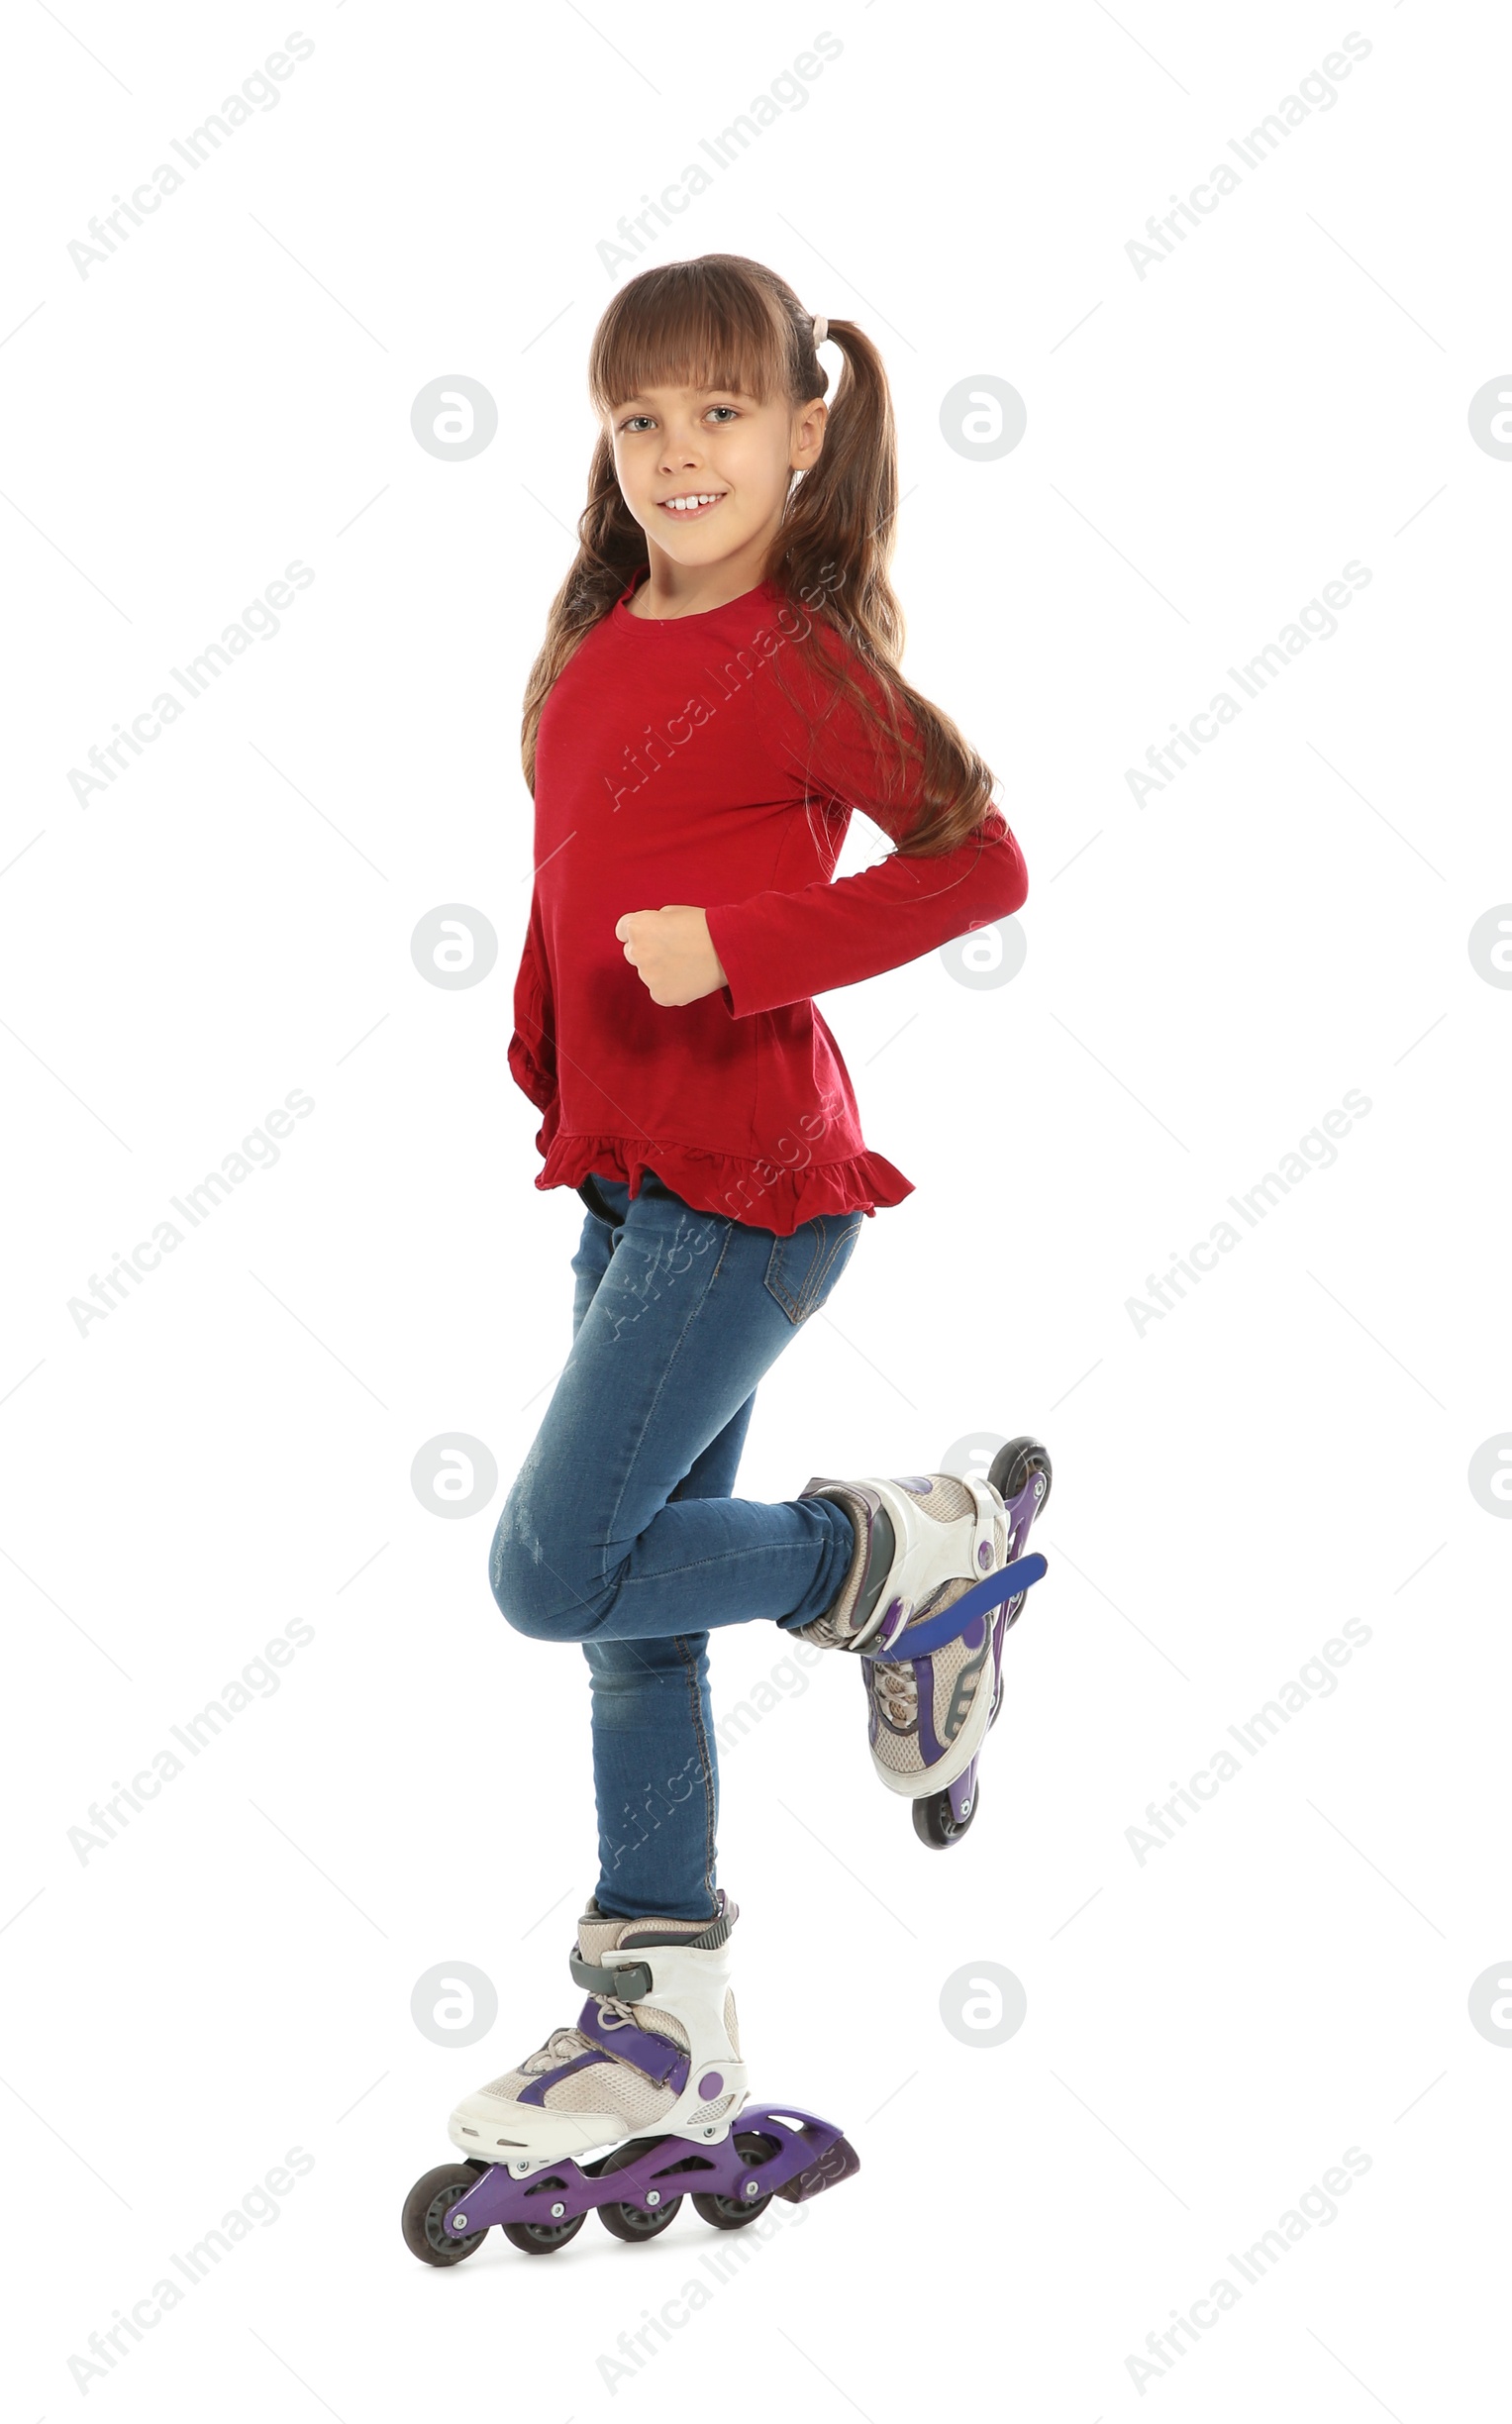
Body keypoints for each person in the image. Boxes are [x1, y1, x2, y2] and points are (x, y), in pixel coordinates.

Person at [448, 252, 1032, 2174]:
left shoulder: (802, 660)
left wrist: (747, 947)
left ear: (802, 435)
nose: (676, 453)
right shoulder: (598, 642)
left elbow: (979, 859)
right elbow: (570, 894)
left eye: (718, 414)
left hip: (748, 1191)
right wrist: (553, 1068)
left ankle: (894, 1563)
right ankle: (659, 2021)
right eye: (638, 419)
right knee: (629, 1610)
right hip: (628, 1191)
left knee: (552, 1573)